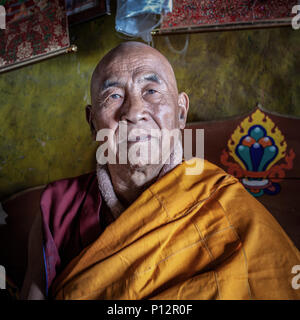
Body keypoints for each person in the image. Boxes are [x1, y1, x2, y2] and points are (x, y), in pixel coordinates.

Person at [21, 41, 300, 300]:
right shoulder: (58, 209)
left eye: (151, 91)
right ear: (93, 122)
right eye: (114, 95)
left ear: (181, 113)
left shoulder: (224, 204)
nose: (133, 111)